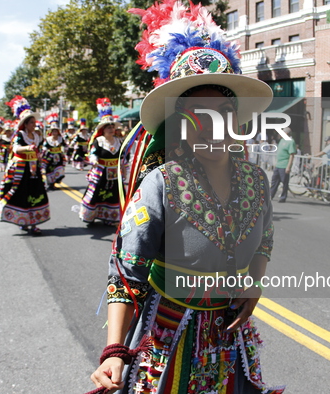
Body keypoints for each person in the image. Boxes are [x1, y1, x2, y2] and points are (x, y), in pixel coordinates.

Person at [88, 1, 284, 393]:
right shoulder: (159, 185)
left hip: (231, 344)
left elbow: (265, 238)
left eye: (223, 112)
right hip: (169, 339)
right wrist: (114, 350)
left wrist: (254, 283)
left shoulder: (256, 182)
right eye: (198, 112)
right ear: (180, 123)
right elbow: (126, 275)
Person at [0, 96, 50, 235]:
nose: (34, 125)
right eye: (31, 122)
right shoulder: (20, 135)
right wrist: (28, 148)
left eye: (34, 122)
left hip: (33, 169)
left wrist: (39, 156)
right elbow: (15, 149)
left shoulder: (37, 136)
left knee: (36, 194)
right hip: (20, 168)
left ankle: (34, 223)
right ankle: (23, 221)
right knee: (20, 193)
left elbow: (39, 150)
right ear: (25, 124)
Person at [78, 99, 123, 225]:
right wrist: (94, 160)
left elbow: (123, 157)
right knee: (97, 194)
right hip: (101, 172)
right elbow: (93, 153)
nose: (111, 129)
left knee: (113, 195)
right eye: (108, 127)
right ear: (103, 129)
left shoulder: (119, 141)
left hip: (115, 174)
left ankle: (110, 217)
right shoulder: (99, 141)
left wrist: (123, 170)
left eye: (112, 127)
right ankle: (90, 216)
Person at [270, 127, 296, 203]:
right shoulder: (281, 140)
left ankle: (283, 197)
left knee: (284, 182)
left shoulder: (291, 141)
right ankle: (271, 195)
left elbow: (291, 155)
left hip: (284, 164)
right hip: (278, 164)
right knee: (274, 181)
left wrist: (288, 166)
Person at [41, 113, 67, 189]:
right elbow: (44, 147)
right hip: (50, 157)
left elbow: (65, 145)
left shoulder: (60, 138)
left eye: (56, 131)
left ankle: (56, 181)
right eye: (53, 131)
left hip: (58, 156)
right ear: (51, 132)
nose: (54, 133)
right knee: (49, 170)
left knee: (59, 168)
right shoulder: (48, 139)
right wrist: (43, 153)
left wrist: (65, 149)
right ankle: (51, 184)